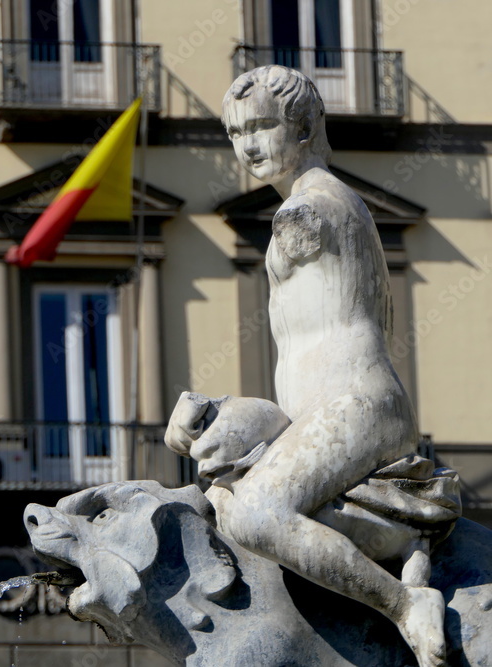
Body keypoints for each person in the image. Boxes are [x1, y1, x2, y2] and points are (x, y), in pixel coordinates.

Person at [169, 65, 447, 667]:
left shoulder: (310, 210)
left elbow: (313, 235)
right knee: (213, 465)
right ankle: (400, 535)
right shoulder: (314, 205)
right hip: (316, 413)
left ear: (306, 127)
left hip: (357, 407)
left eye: (264, 125)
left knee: (257, 513)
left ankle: (404, 605)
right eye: (237, 131)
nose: (249, 144)